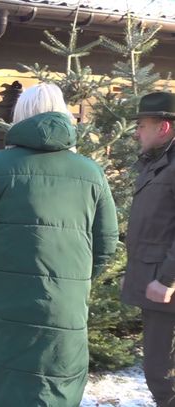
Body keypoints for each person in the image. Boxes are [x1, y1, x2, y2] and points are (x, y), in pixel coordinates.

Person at [0, 83, 119, 407]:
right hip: (61, 303)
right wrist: (75, 280)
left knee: (0, 385)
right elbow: (106, 243)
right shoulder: (90, 172)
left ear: (19, 116)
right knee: (48, 390)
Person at [121, 91, 175, 407]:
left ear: (163, 127)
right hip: (154, 281)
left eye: (142, 124)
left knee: (163, 374)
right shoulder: (159, 163)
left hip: (166, 288)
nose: (137, 132)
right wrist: (136, 276)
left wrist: (167, 279)